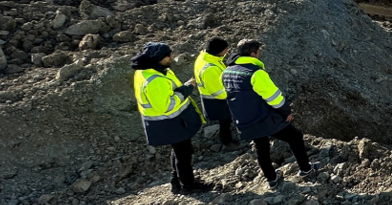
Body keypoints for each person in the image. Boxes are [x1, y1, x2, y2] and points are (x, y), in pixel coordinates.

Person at [222, 39, 318, 190]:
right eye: (258, 51)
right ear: (253, 54)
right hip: (263, 117)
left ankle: (272, 179)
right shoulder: (255, 73)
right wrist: (285, 111)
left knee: (261, 147)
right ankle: (306, 169)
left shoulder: (227, 72)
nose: (260, 54)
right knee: (295, 136)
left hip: (244, 119)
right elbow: (273, 97)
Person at [131, 42, 212, 195]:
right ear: (158, 58)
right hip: (169, 121)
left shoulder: (149, 71)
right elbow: (167, 105)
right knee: (183, 154)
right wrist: (186, 88)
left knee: (179, 151)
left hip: (167, 121)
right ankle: (188, 185)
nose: (171, 57)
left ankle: (176, 183)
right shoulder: (155, 80)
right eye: (167, 56)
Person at [194, 37, 236, 146]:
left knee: (225, 121)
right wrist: (234, 95)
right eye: (226, 49)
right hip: (217, 101)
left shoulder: (205, 57)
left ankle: (226, 138)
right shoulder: (210, 69)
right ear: (220, 51)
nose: (227, 51)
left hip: (214, 98)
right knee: (225, 121)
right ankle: (227, 141)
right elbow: (218, 93)